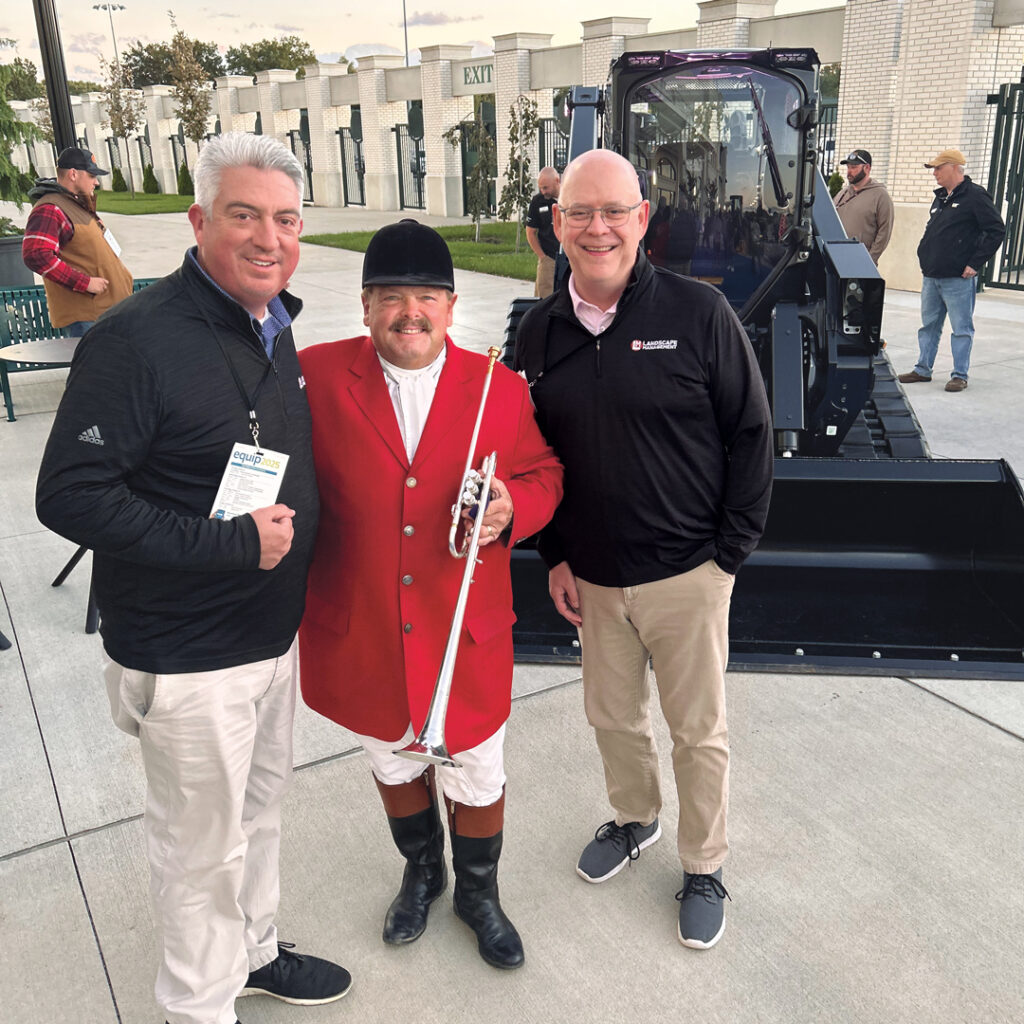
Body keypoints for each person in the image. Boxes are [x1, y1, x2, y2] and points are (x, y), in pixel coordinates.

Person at [35, 132, 351, 1024]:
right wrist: (229, 548)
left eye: (285, 219)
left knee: (257, 820)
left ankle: (250, 954)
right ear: (198, 219)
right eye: (244, 216)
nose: (268, 238)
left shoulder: (271, 322)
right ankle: (196, 1006)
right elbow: (69, 496)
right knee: (195, 849)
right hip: (186, 654)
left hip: (265, 636)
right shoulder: (137, 339)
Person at [514, 150, 773, 951]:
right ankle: (635, 821)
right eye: (580, 213)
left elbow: (752, 435)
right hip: (591, 579)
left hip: (688, 574)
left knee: (698, 730)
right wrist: (554, 553)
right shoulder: (539, 330)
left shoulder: (699, 315)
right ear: (556, 225)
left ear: (642, 220)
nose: (597, 229)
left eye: (614, 212)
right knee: (612, 719)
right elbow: (533, 454)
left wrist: (726, 555)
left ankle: (704, 863)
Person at [297, 219, 563, 971]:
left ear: (450, 306)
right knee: (393, 760)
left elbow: (545, 474)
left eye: (424, 297)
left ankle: (479, 894)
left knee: (476, 768)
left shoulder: (497, 388)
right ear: (364, 305)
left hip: (463, 631)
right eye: (389, 298)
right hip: (369, 628)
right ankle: (422, 872)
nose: (407, 313)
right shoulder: (314, 376)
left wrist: (513, 506)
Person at [898, 148, 1006, 393]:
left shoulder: (975, 196)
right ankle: (922, 369)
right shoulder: (940, 198)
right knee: (929, 326)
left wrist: (975, 263)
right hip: (932, 275)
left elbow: (996, 230)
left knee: (961, 329)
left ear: (955, 168)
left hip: (958, 277)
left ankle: (959, 375)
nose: (934, 173)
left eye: (938, 168)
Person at [22, 146, 133, 335]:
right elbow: (36, 254)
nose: (96, 182)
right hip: (87, 319)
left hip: (104, 314)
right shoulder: (51, 208)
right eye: (91, 176)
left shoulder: (73, 205)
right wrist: (85, 282)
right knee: (96, 365)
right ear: (73, 174)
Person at [833, 148, 894, 264]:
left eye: (854, 167)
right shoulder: (842, 193)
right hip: (837, 259)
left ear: (867, 168)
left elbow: (884, 232)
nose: (849, 172)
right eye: (848, 167)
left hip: (861, 262)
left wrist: (869, 260)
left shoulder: (881, 195)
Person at [525, 166, 561, 297]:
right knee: (543, 300)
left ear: (557, 181)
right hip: (549, 258)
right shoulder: (537, 202)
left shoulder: (570, 198)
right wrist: (542, 257)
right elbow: (530, 232)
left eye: (546, 187)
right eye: (540, 187)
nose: (543, 191)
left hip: (571, 257)